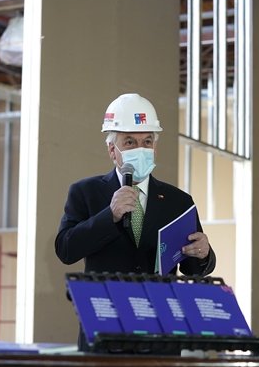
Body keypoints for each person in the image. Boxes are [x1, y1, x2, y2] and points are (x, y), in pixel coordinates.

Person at [56, 92, 215, 277]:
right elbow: (65, 250)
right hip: (107, 302)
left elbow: (192, 269)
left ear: (155, 147)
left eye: (147, 141)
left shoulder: (179, 202)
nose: (141, 149)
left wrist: (204, 253)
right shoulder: (85, 192)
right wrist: (111, 215)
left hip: (158, 303)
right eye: (130, 142)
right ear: (112, 150)